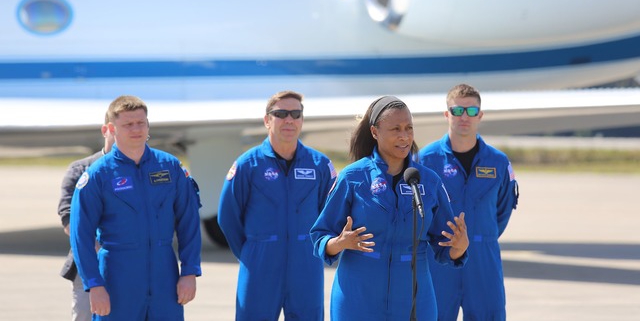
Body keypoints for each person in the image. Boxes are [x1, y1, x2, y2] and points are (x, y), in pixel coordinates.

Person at [310, 95, 469, 321]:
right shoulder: (353, 177)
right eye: (395, 129)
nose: (404, 136)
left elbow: (445, 246)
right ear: (375, 132)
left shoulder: (429, 181)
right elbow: (320, 235)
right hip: (359, 295)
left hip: (414, 297)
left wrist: (460, 248)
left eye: (408, 128)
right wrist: (339, 243)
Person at [70, 95, 202, 320]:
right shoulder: (98, 175)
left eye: (141, 122)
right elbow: (80, 235)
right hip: (117, 279)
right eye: (128, 124)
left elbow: (189, 223)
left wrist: (189, 271)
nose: (136, 129)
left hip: (164, 278)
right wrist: (95, 285)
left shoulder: (170, 167)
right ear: (112, 128)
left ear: (148, 125)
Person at [217, 90, 337, 321]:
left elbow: (329, 214)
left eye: (295, 114)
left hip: (306, 265)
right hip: (260, 264)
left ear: (302, 120)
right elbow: (228, 217)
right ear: (267, 120)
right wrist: (251, 252)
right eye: (281, 113)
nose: (289, 119)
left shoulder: (319, 165)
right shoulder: (247, 165)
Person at [418, 83, 519, 321]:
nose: (464, 117)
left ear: (480, 116)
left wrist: (481, 234)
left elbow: (503, 211)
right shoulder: (425, 160)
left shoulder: (498, 162)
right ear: (446, 114)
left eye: (471, 111)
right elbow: (417, 211)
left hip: (483, 260)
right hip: (438, 261)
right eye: (457, 110)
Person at [58, 112, 114, 321]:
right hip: (88, 264)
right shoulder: (81, 169)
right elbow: (68, 220)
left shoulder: (144, 169)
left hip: (131, 263)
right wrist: (101, 247)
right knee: (84, 315)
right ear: (106, 130)